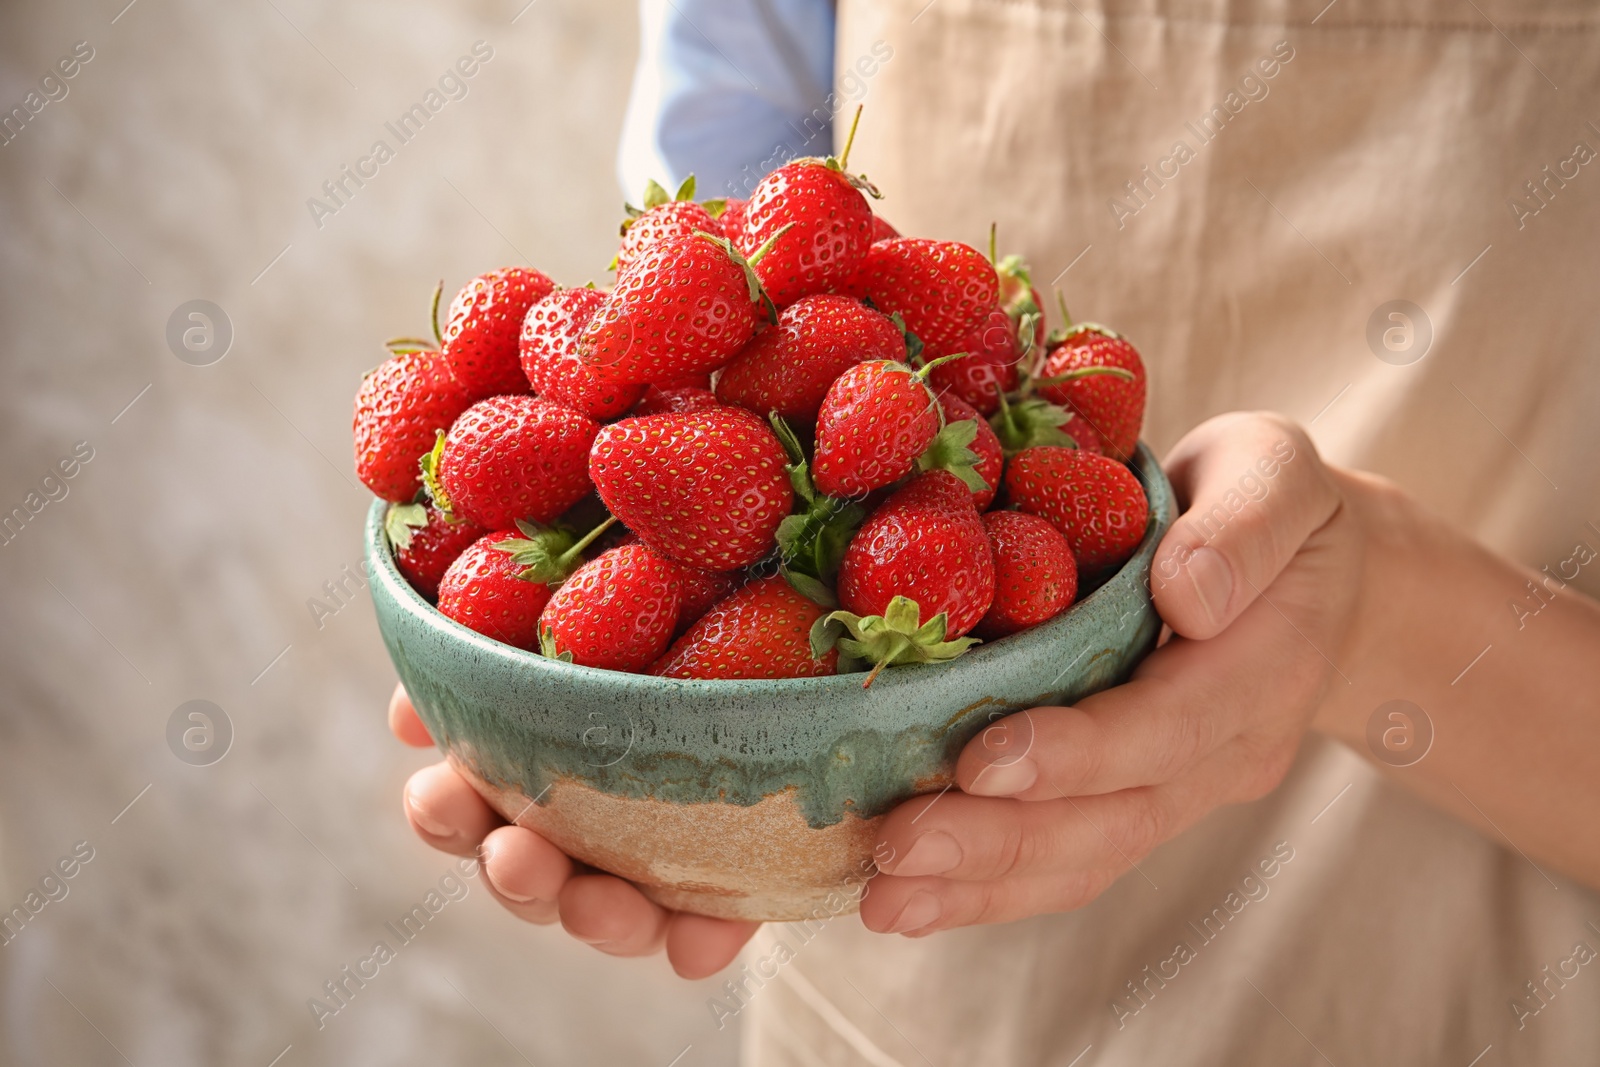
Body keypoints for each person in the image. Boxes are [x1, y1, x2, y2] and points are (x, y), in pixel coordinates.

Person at [390, 0, 1600, 1061]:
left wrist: (1375, 611)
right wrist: (664, 760)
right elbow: (708, 254)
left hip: (1461, 958)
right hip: (888, 884)